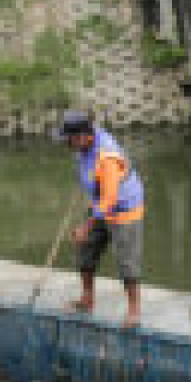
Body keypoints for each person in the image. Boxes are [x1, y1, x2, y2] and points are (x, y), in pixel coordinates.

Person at [56, 111, 145, 328]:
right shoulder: (84, 145)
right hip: (100, 202)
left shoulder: (108, 157)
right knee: (85, 249)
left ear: (83, 136)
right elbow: (89, 175)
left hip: (124, 207)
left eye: (69, 139)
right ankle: (87, 300)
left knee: (127, 261)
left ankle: (134, 311)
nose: (66, 143)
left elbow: (110, 199)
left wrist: (87, 226)